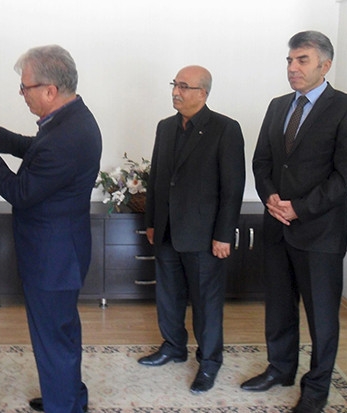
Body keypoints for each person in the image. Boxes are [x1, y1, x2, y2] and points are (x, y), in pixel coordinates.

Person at [0, 45, 102, 413]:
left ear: (49, 90)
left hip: (53, 258)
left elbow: (20, 193)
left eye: (25, 87)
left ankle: (63, 405)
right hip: (61, 251)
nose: (22, 93)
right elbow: (34, 149)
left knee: (53, 337)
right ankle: (69, 395)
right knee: (61, 331)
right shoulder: (70, 118)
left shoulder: (67, 135)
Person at [245, 31, 347, 413]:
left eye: (302, 60)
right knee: (279, 308)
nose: (292, 68)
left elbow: (346, 175)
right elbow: (262, 161)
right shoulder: (277, 105)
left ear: (325, 65)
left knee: (322, 318)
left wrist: (299, 208)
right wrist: (270, 197)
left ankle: (316, 388)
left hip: (320, 233)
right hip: (276, 226)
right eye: (289, 60)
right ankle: (280, 369)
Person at [137, 65, 245, 394]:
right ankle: (173, 346)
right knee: (168, 295)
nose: (176, 91)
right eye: (175, 84)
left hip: (204, 235)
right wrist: (152, 222)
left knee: (206, 304)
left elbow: (232, 188)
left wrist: (224, 234)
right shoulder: (165, 127)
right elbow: (157, 178)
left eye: (184, 86)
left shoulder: (225, 129)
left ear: (203, 93)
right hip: (167, 230)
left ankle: (209, 362)